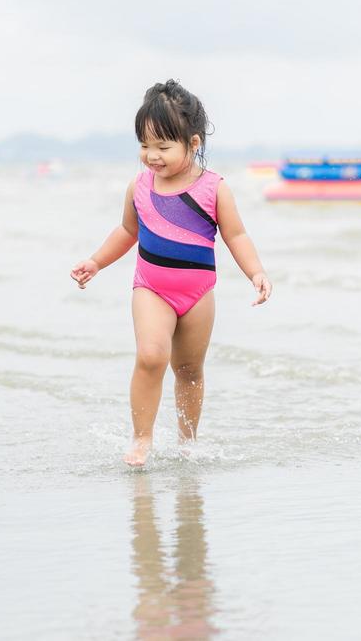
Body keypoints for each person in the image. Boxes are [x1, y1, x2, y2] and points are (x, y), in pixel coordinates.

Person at [70, 80, 272, 467]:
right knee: (150, 356)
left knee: (189, 370)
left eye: (163, 146)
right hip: (151, 288)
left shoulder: (214, 189)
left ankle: (187, 443)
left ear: (193, 143)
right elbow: (128, 231)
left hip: (197, 295)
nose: (152, 156)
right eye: (145, 146)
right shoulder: (139, 186)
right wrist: (96, 261)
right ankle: (141, 439)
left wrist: (256, 272)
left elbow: (236, 235)